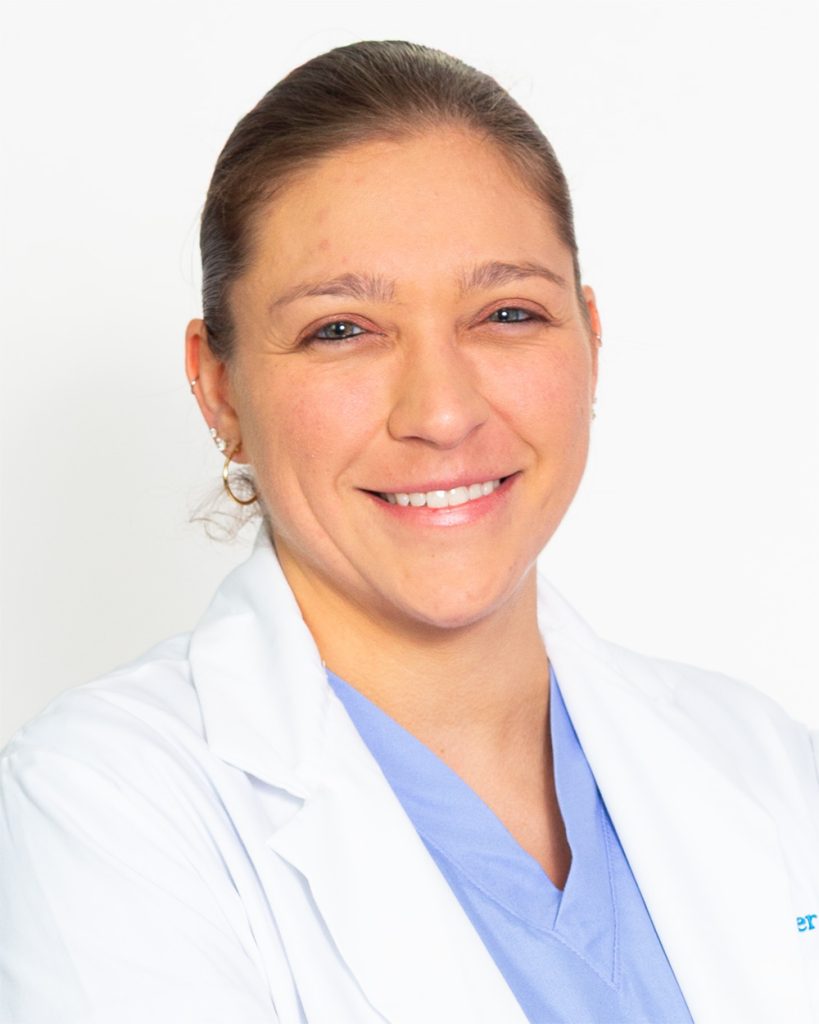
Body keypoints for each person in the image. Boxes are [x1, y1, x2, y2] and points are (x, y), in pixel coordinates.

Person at [1, 39, 818, 1024]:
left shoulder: (762, 762)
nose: (442, 412)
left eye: (506, 313)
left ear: (591, 340)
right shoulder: (107, 806)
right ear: (218, 386)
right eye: (341, 329)